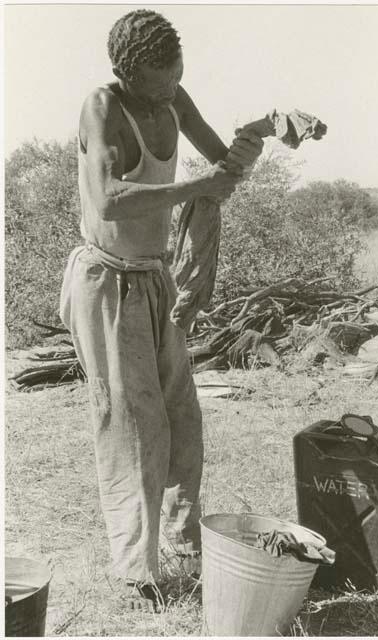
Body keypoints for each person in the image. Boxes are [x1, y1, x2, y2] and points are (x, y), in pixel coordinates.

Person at [59, 8, 263, 601]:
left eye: (178, 74)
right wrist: (197, 187)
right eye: (161, 77)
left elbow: (225, 168)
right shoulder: (101, 108)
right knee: (133, 426)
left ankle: (180, 541)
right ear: (127, 71)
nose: (172, 86)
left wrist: (263, 130)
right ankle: (135, 570)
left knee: (181, 417)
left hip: (152, 280)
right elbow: (110, 200)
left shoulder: (175, 98)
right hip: (105, 282)